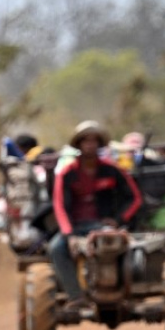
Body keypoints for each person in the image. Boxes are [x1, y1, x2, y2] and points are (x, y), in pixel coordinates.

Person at [50, 121, 142, 309]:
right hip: (75, 227)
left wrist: (118, 221)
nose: (90, 145)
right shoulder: (67, 173)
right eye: (85, 141)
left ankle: (126, 291)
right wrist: (69, 236)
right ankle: (76, 296)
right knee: (56, 249)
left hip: (102, 225)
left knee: (124, 247)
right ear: (78, 145)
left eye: (93, 141)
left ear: (99, 144)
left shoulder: (113, 169)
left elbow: (135, 199)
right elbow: (59, 206)